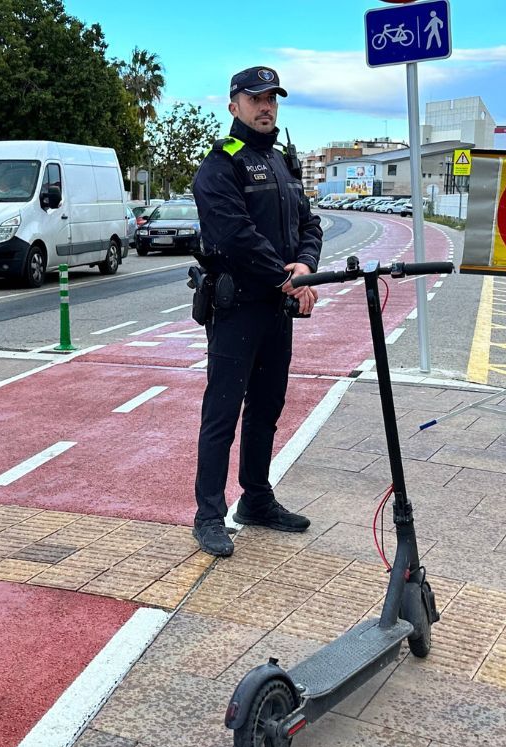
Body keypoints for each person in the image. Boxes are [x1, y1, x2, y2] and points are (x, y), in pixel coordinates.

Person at [189, 65, 322, 557]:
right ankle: (208, 514)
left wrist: (304, 265)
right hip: (238, 307)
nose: (266, 107)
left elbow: (311, 224)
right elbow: (233, 234)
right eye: (256, 98)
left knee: (267, 409)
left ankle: (256, 499)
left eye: (272, 99)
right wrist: (284, 276)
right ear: (234, 105)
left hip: (277, 308)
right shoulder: (221, 164)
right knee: (222, 414)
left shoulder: (285, 162)